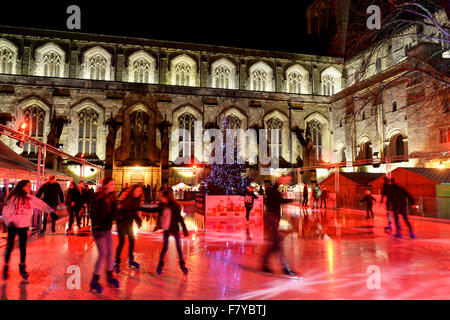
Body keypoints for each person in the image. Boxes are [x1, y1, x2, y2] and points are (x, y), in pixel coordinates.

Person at [2, 180, 55, 280]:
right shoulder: (13, 198)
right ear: (22, 187)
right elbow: (5, 211)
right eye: (28, 186)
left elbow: (41, 204)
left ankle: (22, 267)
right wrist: (9, 222)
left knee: (22, 248)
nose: (30, 188)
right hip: (12, 225)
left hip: (23, 226)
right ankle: (5, 267)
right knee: (9, 247)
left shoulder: (30, 198)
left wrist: (51, 212)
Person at [89, 177, 120, 293]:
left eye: (114, 184)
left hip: (107, 228)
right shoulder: (99, 197)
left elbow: (113, 214)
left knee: (111, 252)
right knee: (103, 253)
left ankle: (109, 274)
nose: (113, 186)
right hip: (99, 229)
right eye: (111, 184)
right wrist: (98, 224)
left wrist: (116, 212)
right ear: (105, 185)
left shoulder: (112, 197)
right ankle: (94, 280)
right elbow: (94, 214)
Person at [114, 185, 153, 272]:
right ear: (132, 191)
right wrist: (136, 219)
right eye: (137, 190)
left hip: (128, 223)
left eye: (140, 191)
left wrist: (137, 220)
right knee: (122, 242)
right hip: (121, 222)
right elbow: (126, 211)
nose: (139, 192)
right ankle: (116, 262)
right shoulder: (128, 199)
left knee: (132, 240)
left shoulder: (136, 200)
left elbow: (134, 211)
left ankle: (131, 260)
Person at [262, 177, 295, 275]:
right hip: (272, 218)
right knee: (278, 244)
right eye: (284, 181)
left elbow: (279, 200)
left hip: (274, 218)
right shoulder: (273, 190)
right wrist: (290, 200)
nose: (285, 182)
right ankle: (285, 268)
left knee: (275, 245)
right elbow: (279, 200)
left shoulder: (274, 190)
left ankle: (264, 264)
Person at [154, 187, 189, 275]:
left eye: (162, 197)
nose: (160, 198)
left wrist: (184, 228)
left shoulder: (175, 206)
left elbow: (179, 218)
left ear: (166, 197)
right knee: (165, 247)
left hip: (174, 228)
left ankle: (182, 265)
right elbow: (158, 214)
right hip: (166, 228)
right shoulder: (161, 205)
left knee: (178, 247)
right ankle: (160, 265)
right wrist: (157, 225)